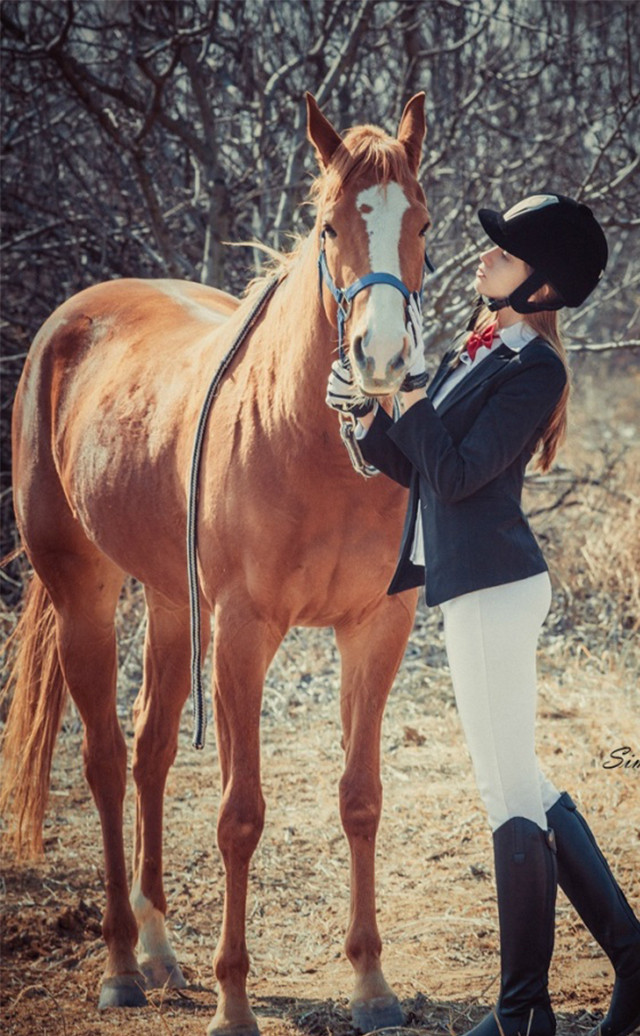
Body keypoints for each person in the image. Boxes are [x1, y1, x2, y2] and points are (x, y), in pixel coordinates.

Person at [325, 194, 640, 1036]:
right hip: (473, 586)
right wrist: (366, 413)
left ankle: (520, 1011)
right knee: (523, 783)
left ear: (540, 287)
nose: (482, 259)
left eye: (501, 256)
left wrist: (414, 394)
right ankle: (629, 957)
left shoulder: (535, 368)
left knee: (507, 795)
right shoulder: (482, 349)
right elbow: (417, 466)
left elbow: (461, 473)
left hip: (496, 590)